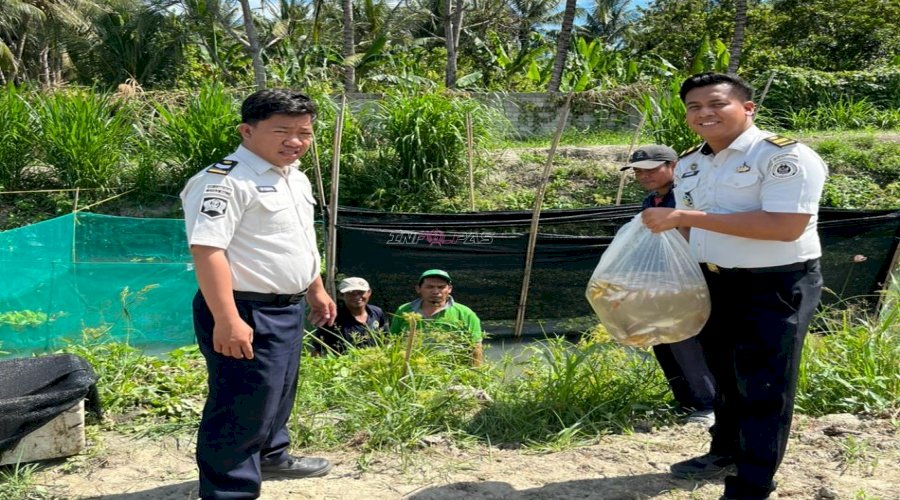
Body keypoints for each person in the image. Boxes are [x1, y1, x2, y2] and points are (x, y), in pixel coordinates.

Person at [641, 73, 826, 500]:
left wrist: (687, 220)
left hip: (775, 284)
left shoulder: (784, 157)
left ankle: (753, 482)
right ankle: (724, 450)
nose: (704, 113)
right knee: (723, 373)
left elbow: (785, 226)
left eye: (716, 103)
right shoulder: (690, 163)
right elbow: (687, 231)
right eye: (693, 107)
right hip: (712, 280)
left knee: (765, 384)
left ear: (747, 108)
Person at [180, 89, 337, 499]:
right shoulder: (224, 182)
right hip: (244, 307)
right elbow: (207, 250)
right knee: (239, 407)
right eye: (282, 131)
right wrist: (228, 319)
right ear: (246, 131)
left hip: (287, 307)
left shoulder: (294, 177)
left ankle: (272, 456)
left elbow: (299, 240)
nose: (296, 141)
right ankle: (229, 492)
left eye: (305, 132)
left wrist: (316, 288)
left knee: (279, 391)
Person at [621, 145, 717, 425]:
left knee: (685, 337)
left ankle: (709, 403)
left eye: (651, 169)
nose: (644, 175)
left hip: (695, 278)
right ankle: (686, 400)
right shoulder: (652, 201)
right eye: (638, 171)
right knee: (661, 339)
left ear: (673, 166)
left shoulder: (686, 196)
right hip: (663, 281)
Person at [389, 269, 484, 366]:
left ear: (449, 289)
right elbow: (393, 342)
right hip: (413, 373)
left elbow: (476, 347)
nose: (436, 291)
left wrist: (474, 375)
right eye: (430, 287)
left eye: (441, 287)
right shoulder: (404, 311)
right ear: (418, 289)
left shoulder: (465, 313)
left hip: (451, 374)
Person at [313, 277, 388, 354]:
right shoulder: (333, 318)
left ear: (369, 292)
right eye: (350, 292)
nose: (357, 296)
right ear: (341, 295)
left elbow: (386, 340)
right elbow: (318, 349)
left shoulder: (377, 312)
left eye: (361, 292)